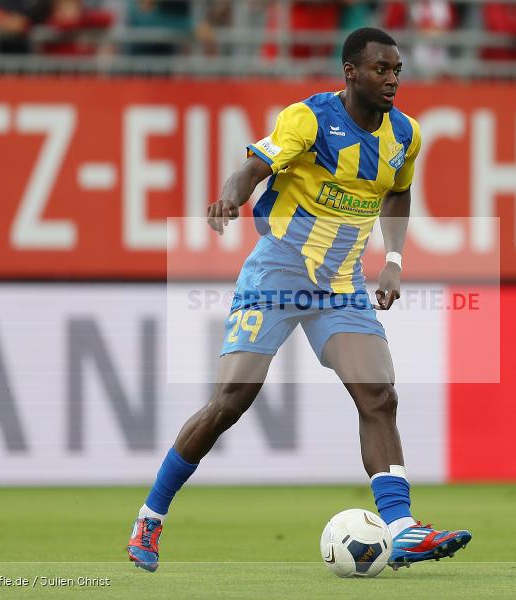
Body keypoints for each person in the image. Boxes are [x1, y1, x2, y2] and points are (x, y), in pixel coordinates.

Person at [126, 26, 472, 573]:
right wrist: (228, 198)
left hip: (341, 286)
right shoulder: (308, 119)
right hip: (279, 270)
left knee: (379, 395)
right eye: (381, 69)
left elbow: (399, 191)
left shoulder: (405, 134)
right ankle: (151, 516)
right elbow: (253, 167)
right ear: (351, 72)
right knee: (231, 401)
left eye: (398, 69)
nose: (392, 79)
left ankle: (403, 528)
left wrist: (395, 259)